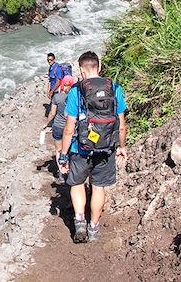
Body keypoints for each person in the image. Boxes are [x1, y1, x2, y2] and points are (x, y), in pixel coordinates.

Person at [59, 51, 127, 243]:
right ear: (100, 66)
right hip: (106, 148)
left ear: (81, 70)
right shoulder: (114, 89)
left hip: (80, 149)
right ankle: (94, 228)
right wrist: (121, 147)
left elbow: (68, 129)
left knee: (77, 184)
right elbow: (121, 124)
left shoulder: (76, 91)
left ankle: (79, 221)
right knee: (98, 188)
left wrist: (63, 156)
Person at [40, 74, 76, 185]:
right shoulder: (74, 97)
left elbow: (52, 113)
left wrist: (47, 124)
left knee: (59, 150)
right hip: (70, 128)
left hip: (58, 127)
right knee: (69, 150)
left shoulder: (57, 97)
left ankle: (61, 174)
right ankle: (70, 172)